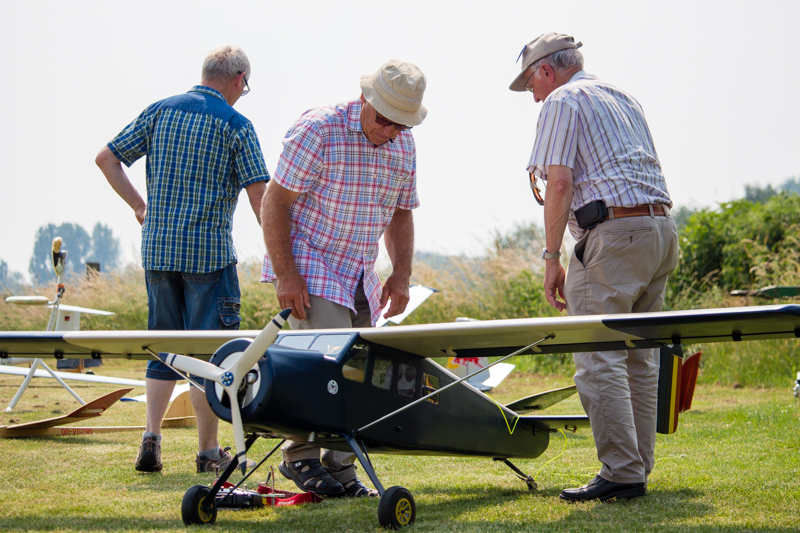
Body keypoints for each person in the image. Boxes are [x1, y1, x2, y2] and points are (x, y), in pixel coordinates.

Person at [509, 33, 679, 502]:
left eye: (531, 85)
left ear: (546, 71)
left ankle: (622, 472)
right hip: (660, 231)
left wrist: (551, 258)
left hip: (614, 235)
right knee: (639, 357)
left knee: (596, 353)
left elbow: (559, 183)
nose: (534, 96)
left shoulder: (562, 100)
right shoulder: (623, 97)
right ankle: (635, 468)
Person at [95, 45, 270, 474]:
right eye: (245, 86)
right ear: (238, 79)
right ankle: (208, 452)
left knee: (163, 349)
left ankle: (151, 438)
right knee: (210, 357)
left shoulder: (160, 111)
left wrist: (140, 207)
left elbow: (106, 158)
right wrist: (282, 256)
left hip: (158, 252)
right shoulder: (236, 125)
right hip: (209, 256)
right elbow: (259, 198)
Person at [260, 59, 427, 497]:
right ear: (366, 99)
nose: (391, 131)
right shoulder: (318, 129)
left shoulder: (404, 145)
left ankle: (341, 467)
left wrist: (401, 276)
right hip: (309, 263)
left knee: (361, 371)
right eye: (385, 120)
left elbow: (401, 213)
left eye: (401, 124)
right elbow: (274, 202)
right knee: (322, 362)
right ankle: (300, 456)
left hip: (359, 270)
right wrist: (286, 274)